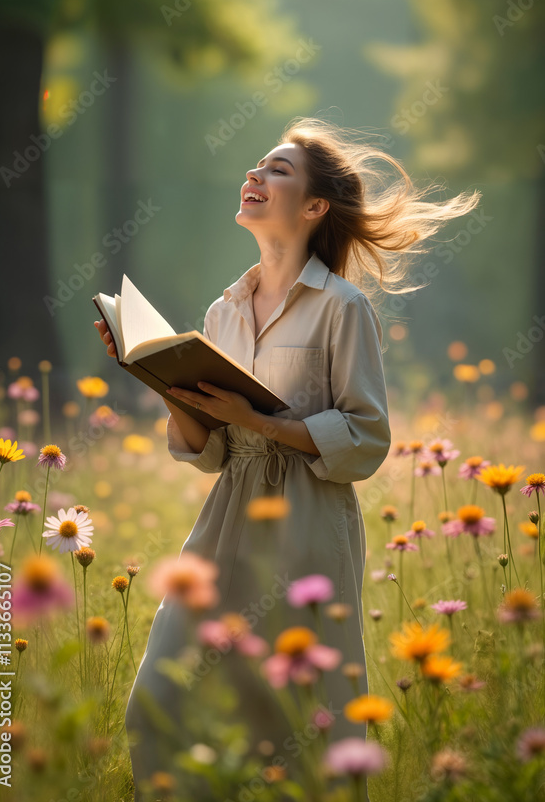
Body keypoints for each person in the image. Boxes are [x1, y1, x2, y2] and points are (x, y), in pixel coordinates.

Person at [95, 116, 481, 801]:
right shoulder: (223, 310)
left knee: (299, 710)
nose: (253, 176)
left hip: (306, 522)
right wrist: (152, 378)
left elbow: (364, 437)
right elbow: (210, 450)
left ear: (312, 207)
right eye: (255, 166)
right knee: (163, 698)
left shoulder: (341, 307)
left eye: (275, 170)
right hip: (224, 521)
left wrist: (262, 422)